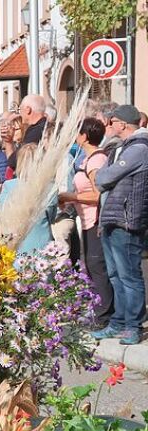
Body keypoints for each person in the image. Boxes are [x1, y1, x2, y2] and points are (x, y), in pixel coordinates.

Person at [93, 104, 148, 345]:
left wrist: (104, 177)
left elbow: (104, 177)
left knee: (129, 275)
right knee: (115, 275)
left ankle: (133, 326)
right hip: (112, 218)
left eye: (112, 121)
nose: (109, 126)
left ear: (123, 124)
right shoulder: (120, 148)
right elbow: (101, 178)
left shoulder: (139, 148)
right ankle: (118, 322)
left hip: (127, 220)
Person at [58, 117, 113, 329]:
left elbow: (98, 194)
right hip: (87, 219)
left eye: (77, 132)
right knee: (91, 266)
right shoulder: (86, 158)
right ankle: (100, 312)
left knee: (97, 266)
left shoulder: (96, 161)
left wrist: (72, 197)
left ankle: (104, 316)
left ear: (84, 136)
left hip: (95, 219)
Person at [0, 144, 56, 254]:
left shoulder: (9, 186)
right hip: (42, 245)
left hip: (16, 244)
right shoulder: (49, 187)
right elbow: (52, 216)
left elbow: (1, 214)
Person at [7, 94, 48, 173]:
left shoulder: (36, 131)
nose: (19, 114)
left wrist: (8, 141)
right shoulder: (46, 126)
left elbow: (15, 161)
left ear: (28, 110)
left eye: (20, 109)